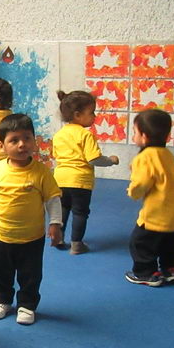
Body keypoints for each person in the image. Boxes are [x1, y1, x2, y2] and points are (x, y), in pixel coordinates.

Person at [0, 113, 63, 325]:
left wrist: (55, 223)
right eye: (14, 140)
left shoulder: (42, 172)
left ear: (35, 140)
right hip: (3, 235)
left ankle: (27, 304)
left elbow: (52, 199)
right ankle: (1, 300)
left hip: (32, 238)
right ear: (1, 145)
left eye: (27, 138)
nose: (22, 144)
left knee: (30, 275)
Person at [124, 109, 174, 287]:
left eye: (135, 132)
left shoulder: (145, 157)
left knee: (139, 242)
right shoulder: (167, 154)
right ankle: (171, 269)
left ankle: (145, 273)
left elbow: (142, 182)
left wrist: (132, 192)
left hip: (158, 210)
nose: (134, 136)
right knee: (169, 243)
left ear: (144, 137)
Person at [52, 90, 120, 254]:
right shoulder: (85, 135)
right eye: (91, 112)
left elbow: (56, 156)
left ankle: (59, 238)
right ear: (77, 115)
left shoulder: (59, 135)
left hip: (60, 179)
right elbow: (94, 159)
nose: (95, 116)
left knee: (63, 209)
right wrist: (110, 161)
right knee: (80, 212)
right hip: (80, 182)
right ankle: (77, 244)